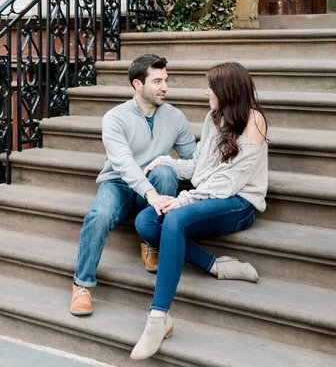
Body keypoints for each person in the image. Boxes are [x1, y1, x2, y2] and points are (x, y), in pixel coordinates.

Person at [130, 61, 268, 361]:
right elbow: (200, 167)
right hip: (207, 196)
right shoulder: (213, 117)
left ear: (227, 91)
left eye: (212, 86)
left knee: (174, 219)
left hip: (239, 203)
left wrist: (182, 201)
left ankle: (158, 317)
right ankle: (216, 266)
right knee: (145, 221)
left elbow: (228, 182)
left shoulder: (254, 122)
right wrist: (166, 162)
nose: (207, 91)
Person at [70, 54, 197, 316]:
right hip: (118, 184)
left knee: (165, 170)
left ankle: (149, 239)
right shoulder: (115, 117)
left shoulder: (175, 117)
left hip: (154, 185)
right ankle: (82, 284)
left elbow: (193, 160)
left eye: (166, 81)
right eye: (157, 81)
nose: (165, 87)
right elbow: (123, 163)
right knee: (99, 215)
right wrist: (150, 194)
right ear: (138, 85)